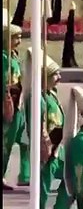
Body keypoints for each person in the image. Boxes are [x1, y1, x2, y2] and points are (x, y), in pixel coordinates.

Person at [23, 48, 74, 209]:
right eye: (55, 75)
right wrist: (44, 145)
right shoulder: (37, 99)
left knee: (71, 180)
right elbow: (37, 126)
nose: (59, 78)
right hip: (46, 151)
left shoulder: (51, 94)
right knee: (42, 191)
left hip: (57, 150)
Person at [3, 14, 30, 190]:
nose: (18, 41)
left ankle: (25, 174)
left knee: (25, 141)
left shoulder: (14, 56)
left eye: (19, 37)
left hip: (19, 103)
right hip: (8, 103)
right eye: (15, 38)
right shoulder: (4, 58)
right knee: (6, 144)